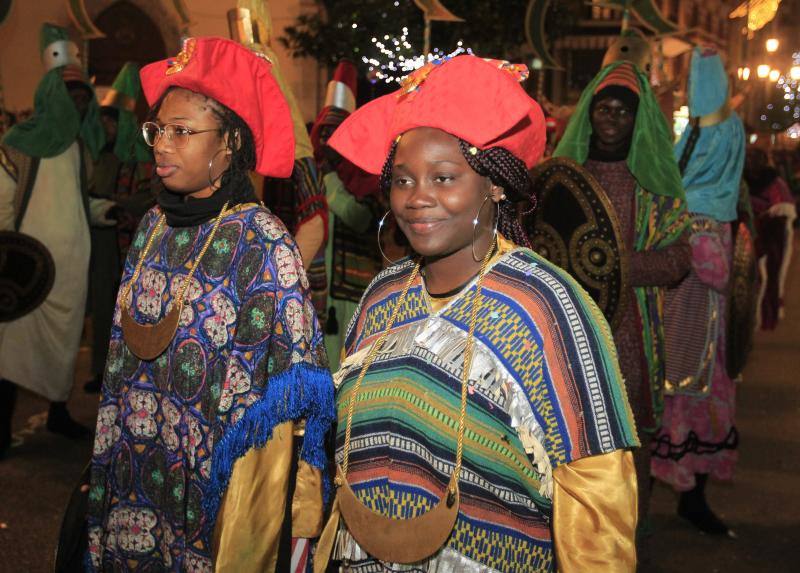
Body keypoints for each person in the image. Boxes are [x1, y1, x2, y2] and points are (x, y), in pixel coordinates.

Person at [314, 55, 639, 573]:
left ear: (495, 186)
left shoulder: (546, 306)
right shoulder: (381, 296)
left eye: (443, 178)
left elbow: (598, 495)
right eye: (402, 180)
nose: (417, 198)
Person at [85, 37, 335, 571]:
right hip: (132, 464)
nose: (162, 145)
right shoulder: (152, 225)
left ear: (229, 144)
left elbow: (290, 397)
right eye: (158, 130)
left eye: (183, 132)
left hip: (206, 493)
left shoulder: (261, 242)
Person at [554, 61, 691, 534]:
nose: (610, 118)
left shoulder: (654, 186)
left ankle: (627, 537)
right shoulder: (566, 177)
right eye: (603, 108)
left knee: (627, 436)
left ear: (638, 121)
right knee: (570, 431)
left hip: (630, 331)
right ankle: (574, 536)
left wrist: (612, 265)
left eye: (622, 111)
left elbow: (678, 258)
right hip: (570, 326)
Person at [0, 24, 107, 456]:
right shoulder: (19, 145)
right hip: (28, 270)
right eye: (72, 96)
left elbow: (81, 203)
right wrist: (10, 258)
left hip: (71, 268)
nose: (79, 103)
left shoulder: (80, 149)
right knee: (11, 348)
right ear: (52, 94)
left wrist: (106, 210)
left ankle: (59, 415)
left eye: (84, 97)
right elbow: (3, 205)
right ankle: (2, 429)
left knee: (64, 347)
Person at [652, 47, 744, 537]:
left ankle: (691, 498)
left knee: (688, 399)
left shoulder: (711, 132)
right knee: (678, 399)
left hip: (700, 315)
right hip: (687, 313)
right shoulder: (724, 129)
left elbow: (719, 268)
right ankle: (684, 499)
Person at [85, 62, 155, 393]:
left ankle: (125, 375)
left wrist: (117, 204)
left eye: (111, 120)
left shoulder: (141, 157)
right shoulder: (100, 155)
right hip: (102, 245)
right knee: (101, 309)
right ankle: (100, 371)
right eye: (103, 120)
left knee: (128, 311)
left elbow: (148, 196)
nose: (106, 126)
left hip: (129, 246)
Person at [310, 60, 383, 370]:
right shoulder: (307, 176)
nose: (327, 143)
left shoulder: (364, 176)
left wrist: (331, 183)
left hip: (352, 291)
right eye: (322, 133)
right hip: (317, 290)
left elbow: (361, 219)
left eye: (334, 134)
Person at [745, 146, 796, 330]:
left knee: (769, 275)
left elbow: (783, 209)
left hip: (772, 234)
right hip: (749, 235)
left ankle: (766, 313)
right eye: (748, 158)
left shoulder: (774, 182)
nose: (751, 162)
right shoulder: (742, 180)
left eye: (755, 158)